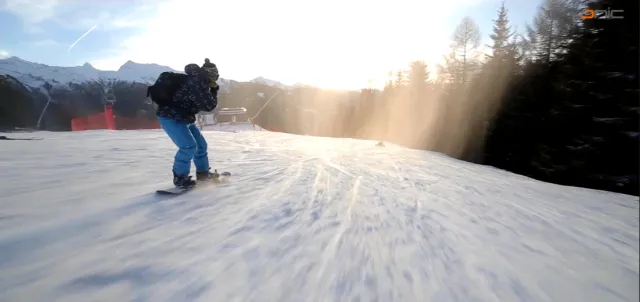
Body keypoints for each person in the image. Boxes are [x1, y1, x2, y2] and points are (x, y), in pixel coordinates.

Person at [156, 63, 220, 188]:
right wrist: (214, 90)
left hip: (184, 117)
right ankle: (180, 178)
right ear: (210, 74)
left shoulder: (198, 81)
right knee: (188, 146)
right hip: (170, 117)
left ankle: (203, 174)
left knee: (201, 146)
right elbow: (208, 106)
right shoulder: (197, 83)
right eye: (215, 75)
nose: (216, 78)